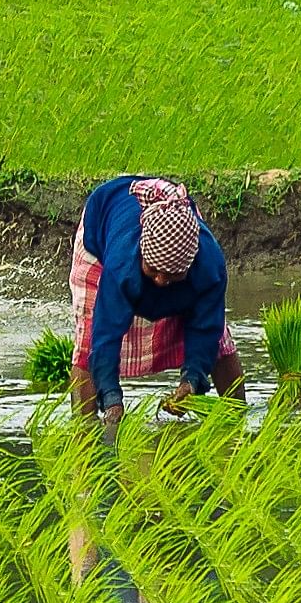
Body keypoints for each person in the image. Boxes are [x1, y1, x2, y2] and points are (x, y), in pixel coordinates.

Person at [70, 176, 238, 422]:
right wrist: (112, 400)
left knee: (219, 339)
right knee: (87, 342)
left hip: (178, 239)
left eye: (171, 275)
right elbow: (104, 338)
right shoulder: (121, 266)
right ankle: (83, 433)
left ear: (189, 265)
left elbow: (205, 329)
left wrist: (191, 381)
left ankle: (237, 419)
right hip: (101, 227)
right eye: (153, 270)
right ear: (142, 256)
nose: (160, 281)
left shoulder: (208, 266)